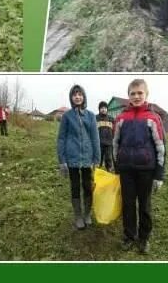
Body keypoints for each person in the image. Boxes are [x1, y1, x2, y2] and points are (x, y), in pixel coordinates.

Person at [113, 79, 167, 255]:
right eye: (133, 93)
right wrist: (117, 166)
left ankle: (144, 238)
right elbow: (115, 143)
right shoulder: (121, 118)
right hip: (126, 170)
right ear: (128, 96)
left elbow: (161, 146)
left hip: (146, 170)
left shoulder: (153, 118)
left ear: (146, 95)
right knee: (128, 205)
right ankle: (129, 236)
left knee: (144, 206)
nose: (136, 96)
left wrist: (159, 175)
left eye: (140, 93)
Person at [56, 84, 100, 230]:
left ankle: (87, 213)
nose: (77, 97)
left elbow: (95, 138)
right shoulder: (67, 117)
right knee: (75, 187)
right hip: (72, 159)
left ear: (84, 97)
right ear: (71, 98)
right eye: (74, 94)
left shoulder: (91, 116)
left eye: (80, 94)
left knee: (88, 186)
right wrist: (62, 160)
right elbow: (61, 138)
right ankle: (78, 216)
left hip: (87, 158)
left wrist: (96, 158)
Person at [96, 101, 115, 171]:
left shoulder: (111, 119)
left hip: (109, 143)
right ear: (99, 109)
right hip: (98, 143)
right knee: (98, 159)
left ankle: (109, 170)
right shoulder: (95, 118)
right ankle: (97, 171)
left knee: (108, 158)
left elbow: (114, 131)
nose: (103, 109)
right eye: (101, 108)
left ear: (107, 109)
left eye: (105, 108)